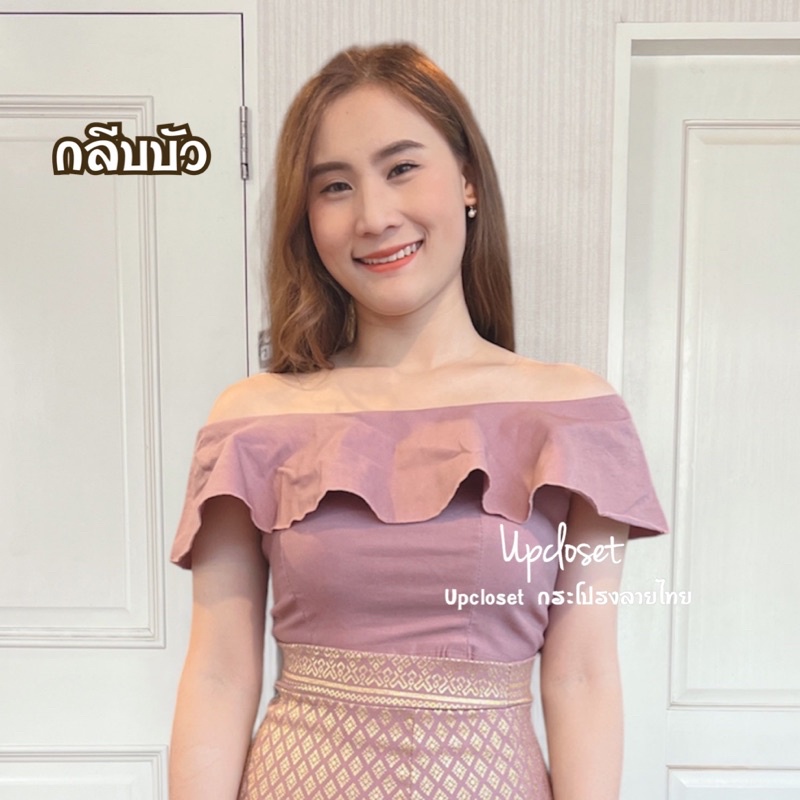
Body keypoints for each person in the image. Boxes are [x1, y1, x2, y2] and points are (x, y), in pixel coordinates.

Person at [168, 43, 668, 800]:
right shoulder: (252, 420)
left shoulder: (574, 416)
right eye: (335, 186)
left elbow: (584, 673)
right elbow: (218, 671)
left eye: (401, 167)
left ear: (468, 181)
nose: (373, 216)